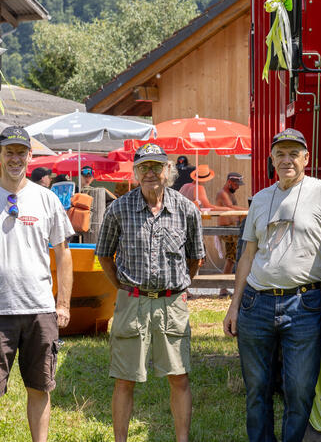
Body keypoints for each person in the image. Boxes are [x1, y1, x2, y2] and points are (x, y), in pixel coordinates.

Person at [222, 128, 321, 442]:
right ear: (272, 159)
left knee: (300, 390)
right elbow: (247, 256)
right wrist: (234, 306)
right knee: (257, 390)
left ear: (306, 158)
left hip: (303, 304)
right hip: (255, 304)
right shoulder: (262, 199)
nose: (287, 159)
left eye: (294, 153)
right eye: (280, 154)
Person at [0, 126, 73, 442]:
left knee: (40, 387)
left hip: (40, 310)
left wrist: (62, 304)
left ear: (30, 157)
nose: (16, 158)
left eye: (22, 152)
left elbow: (63, 254)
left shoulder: (46, 199)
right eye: (10, 152)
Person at [95, 143, 203, 442]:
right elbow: (104, 255)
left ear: (168, 170)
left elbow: (195, 258)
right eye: (144, 167)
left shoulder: (186, 209)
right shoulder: (118, 209)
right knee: (124, 380)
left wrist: (179, 288)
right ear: (136, 172)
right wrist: (123, 288)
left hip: (172, 303)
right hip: (132, 302)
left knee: (179, 377)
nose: (151, 172)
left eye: (157, 166)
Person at [215, 172, 248, 275]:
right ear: (229, 182)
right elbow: (231, 207)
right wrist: (250, 210)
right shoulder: (223, 193)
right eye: (236, 184)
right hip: (226, 230)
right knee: (237, 256)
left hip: (232, 228)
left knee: (231, 259)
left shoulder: (231, 193)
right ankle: (226, 287)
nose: (238, 187)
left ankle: (223, 289)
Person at [79, 165, 116, 244]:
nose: (87, 179)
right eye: (85, 176)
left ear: (92, 178)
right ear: (80, 176)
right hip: (77, 228)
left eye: (89, 177)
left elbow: (112, 201)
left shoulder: (96, 192)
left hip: (92, 228)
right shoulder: (75, 190)